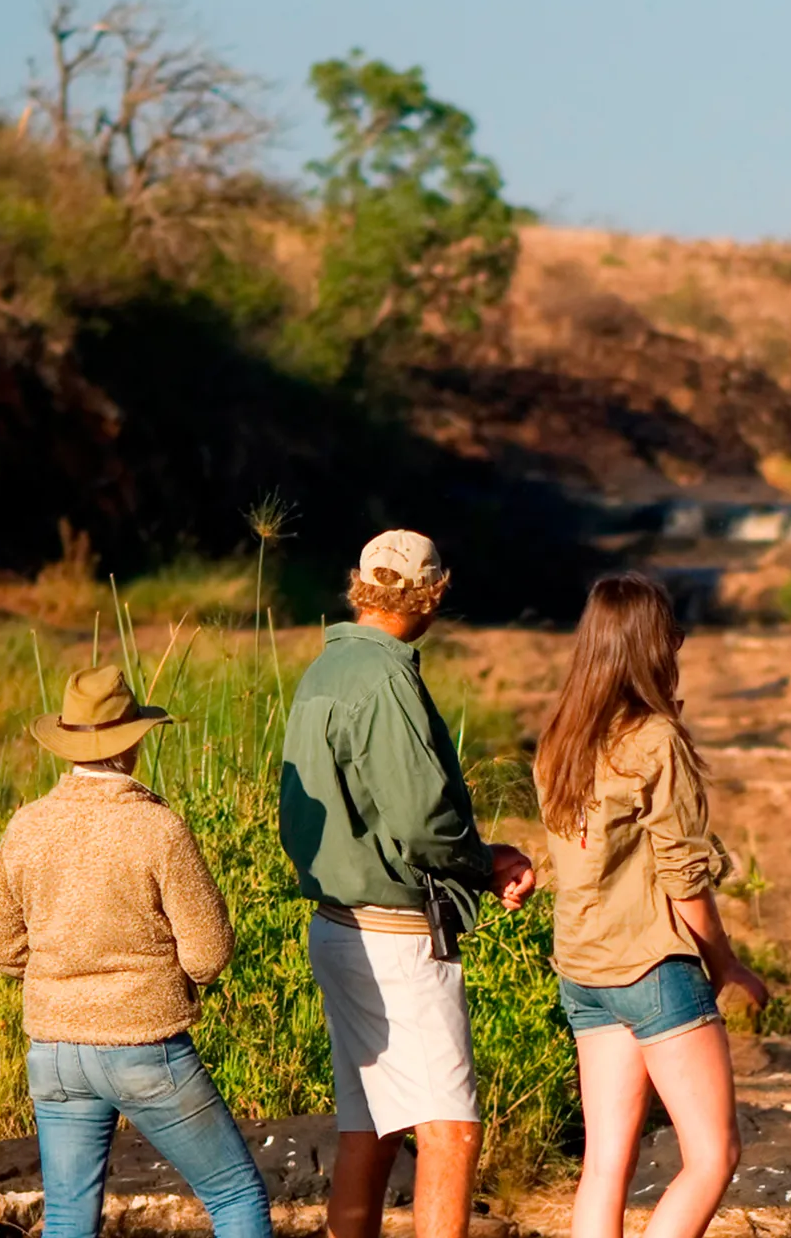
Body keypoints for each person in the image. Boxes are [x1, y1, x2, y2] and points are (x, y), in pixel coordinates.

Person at [279, 530, 536, 1238]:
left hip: (335, 925)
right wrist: (487, 863)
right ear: (429, 593)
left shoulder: (323, 671)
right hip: (394, 936)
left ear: (362, 585)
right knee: (450, 1130)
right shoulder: (387, 678)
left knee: (372, 1128)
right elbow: (423, 818)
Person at [0, 665, 271, 1238]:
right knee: (235, 1195)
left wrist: (62, 977)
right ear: (132, 743)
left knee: (66, 1216)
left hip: (54, 1047)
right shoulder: (158, 828)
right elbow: (209, 953)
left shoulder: (26, 825)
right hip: (145, 1046)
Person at [534, 574, 767, 1238]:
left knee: (605, 1164)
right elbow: (685, 877)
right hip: (650, 967)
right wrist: (726, 965)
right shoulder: (655, 739)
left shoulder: (559, 738)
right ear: (652, 647)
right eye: (673, 635)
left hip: (582, 969)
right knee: (712, 1155)